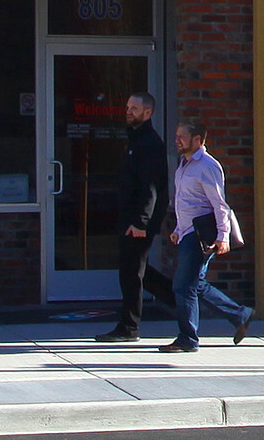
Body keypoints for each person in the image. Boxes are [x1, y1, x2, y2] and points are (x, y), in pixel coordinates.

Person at [159, 117, 254, 353]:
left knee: (183, 286)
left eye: (182, 136)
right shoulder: (184, 164)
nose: (177, 140)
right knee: (195, 283)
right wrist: (178, 230)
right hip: (187, 232)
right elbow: (186, 202)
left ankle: (187, 339)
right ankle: (240, 314)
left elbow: (219, 204)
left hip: (202, 235)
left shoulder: (208, 166)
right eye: (176, 136)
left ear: (198, 140)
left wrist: (223, 236)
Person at [95, 91, 173, 342]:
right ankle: (182, 300)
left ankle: (129, 328)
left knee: (130, 273)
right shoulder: (135, 140)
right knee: (137, 270)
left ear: (147, 113)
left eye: (135, 108)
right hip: (131, 218)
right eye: (128, 107)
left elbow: (150, 187)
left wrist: (141, 223)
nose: (129, 111)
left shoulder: (149, 143)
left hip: (139, 222)